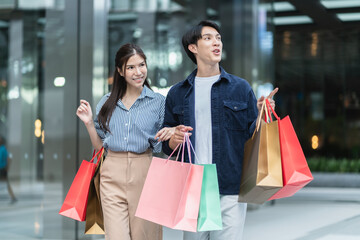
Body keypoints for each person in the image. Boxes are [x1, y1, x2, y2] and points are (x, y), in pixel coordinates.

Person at [162, 20, 278, 240]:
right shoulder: (177, 93)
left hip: (230, 186)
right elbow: (165, 143)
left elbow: (253, 136)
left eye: (218, 38)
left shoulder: (240, 88)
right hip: (194, 187)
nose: (216, 42)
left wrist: (263, 115)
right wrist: (173, 139)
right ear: (193, 48)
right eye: (208, 38)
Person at [76, 43, 174, 240]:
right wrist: (88, 123)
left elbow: (163, 142)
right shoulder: (106, 102)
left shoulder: (158, 102)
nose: (138, 72)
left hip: (145, 171)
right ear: (120, 71)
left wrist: (171, 132)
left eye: (142, 65)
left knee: (145, 236)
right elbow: (100, 147)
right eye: (131, 67)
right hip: (111, 173)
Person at [0, 136, 17, 204]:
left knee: (6, 184)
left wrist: (7, 167)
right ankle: (13, 197)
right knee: (6, 184)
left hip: (2, 169)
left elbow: (9, 158)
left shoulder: (3, 149)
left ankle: (13, 197)